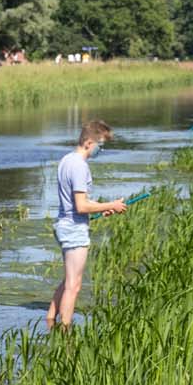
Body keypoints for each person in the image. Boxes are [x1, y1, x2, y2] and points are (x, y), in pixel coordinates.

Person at [47, 120, 127, 330]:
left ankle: (50, 319)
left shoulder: (67, 160)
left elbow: (78, 202)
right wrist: (112, 204)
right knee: (74, 285)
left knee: (68, 281)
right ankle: (65, 332)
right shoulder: (80, 167)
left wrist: (103, 208)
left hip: (64, 224)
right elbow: (81, 206)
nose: (101, 150)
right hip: (74, 229)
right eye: (101, 145)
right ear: (89, 142)